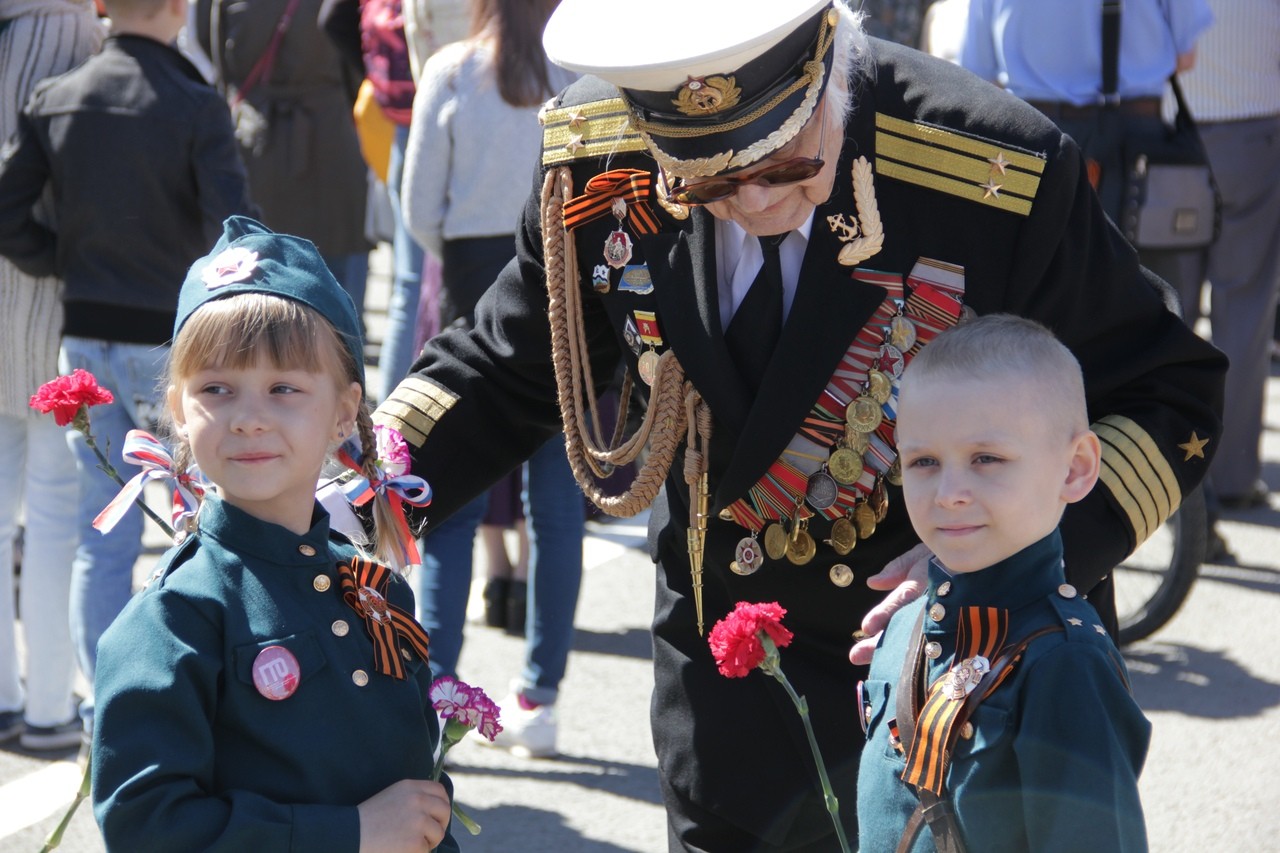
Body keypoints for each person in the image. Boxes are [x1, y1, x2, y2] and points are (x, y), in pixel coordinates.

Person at [372, 0, 1225, 846]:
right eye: (705, 180)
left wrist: (1006, 556)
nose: (750, 200)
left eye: (784, 165)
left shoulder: (991, 170)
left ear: (831, 62)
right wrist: (359, 489)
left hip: (956, 706)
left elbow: (1169, 390)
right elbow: (505, 364)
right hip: (723, 704)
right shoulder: (600, 157)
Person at [91, 216, 457, 853]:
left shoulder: (372, 586)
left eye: (284, 387)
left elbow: (409, 782)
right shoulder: (173, 619)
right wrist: (349, 834)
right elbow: (147, 826)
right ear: (178, 412)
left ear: (344, 412)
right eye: (216, 390)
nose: (250, 419)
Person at [0, 0, 254, 743]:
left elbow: (9, 211)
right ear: (178, 9)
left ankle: (110, 707)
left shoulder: (59, 98)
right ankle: (184, 706)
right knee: (196, 525)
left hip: (82, 334)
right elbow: (236, 228)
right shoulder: (196, 104)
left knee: (98, 533)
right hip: (168, 343)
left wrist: (63, 260)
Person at [856, 314, 1150, 852]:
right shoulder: (905, 629)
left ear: (1075, 469)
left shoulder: (1064, 662)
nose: (949, 493)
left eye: (986, 458)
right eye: (922, 461)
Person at [399, 0, 584, 759]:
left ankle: (436, 692)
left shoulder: (449, 72)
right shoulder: (580, 77)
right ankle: (541, 695)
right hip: (569, 300)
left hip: (474, 293)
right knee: (558, 507)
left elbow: (416, 211)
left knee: (447, 506)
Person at [0, 0, 105, 753]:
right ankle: (44, 707)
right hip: (38, 293)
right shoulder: (65, 25)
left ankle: (10, 697)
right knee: (53, 506)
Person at [960, 0, 1213, 287]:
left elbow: (979, 73)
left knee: (1036, 294)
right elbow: (1185, 57)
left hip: (1030, 135)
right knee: (1147, 294)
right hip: (1136, 140)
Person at [1165, 0, 1280, 514]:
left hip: (1173, 128)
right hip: (1255, 130)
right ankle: (1232, 473)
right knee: (1246, 308)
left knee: (1169, 311)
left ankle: (1169, 470)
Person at [193, 0, 372, 328]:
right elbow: (354, 45)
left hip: (256, 139)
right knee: (336, 288)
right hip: (329, 136)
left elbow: (210, 44)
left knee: (253, 281)